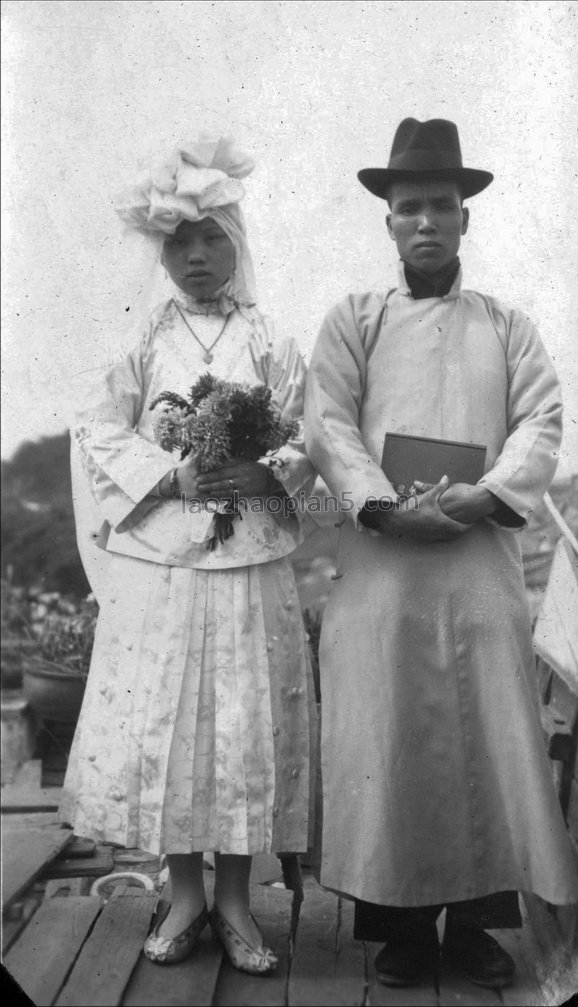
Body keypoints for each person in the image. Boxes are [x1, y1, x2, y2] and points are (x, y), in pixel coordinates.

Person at [304, 118, 578, 989]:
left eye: (442, 206)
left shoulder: (508, 327)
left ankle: (473, 928)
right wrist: (384, 505)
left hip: (475, 561)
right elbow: (327, 421)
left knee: (484, 737)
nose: (426, 221)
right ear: (387, 221)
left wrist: (483, 495)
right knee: (389, 739)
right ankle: (399, 928)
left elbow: (540, 420)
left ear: (467, 218)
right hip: (382, 565)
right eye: (409, 207)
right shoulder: (353, 320)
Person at [60, 135, 316, 974]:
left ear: (237, 243)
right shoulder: (141, 337)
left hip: (246, 562)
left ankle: (238, 899)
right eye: (179, 242)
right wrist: (170, 475)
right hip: (163, 566)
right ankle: (186, 893)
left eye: (211, 238)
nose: (196, 257)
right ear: (160, 252)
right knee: (171, 721)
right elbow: (96, 429)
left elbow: (310, 435)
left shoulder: (271, 337)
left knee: (240, 723)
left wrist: (264, 466)